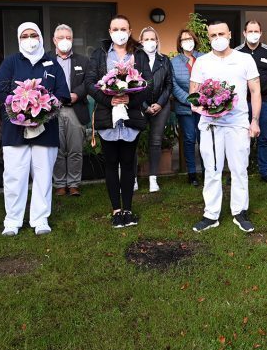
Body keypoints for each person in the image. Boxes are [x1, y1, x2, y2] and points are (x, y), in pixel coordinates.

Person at [0, 22, 70, 236]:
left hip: (46, 129)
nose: (29, 39)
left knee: (43, 174)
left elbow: (63, 93)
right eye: (25, 35)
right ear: (19, 39)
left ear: (41, 37)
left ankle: (40, 218)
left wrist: (43, 110)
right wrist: (18, 108)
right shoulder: (10, 62)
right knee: (15, 175)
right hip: (14, 130)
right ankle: (12, 221)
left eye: (33, 34)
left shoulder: (52, 64)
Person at [190, 21, 261, 233]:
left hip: (238, 124)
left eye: (221, 33)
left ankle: (239, 211)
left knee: (239, 169)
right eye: (213, 35)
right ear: (208, 38)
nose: (218, 38)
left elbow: (255, 91)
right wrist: (204, 109)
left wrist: (254, 120)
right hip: (210, 125)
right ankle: (211, 214)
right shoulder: (201, 62)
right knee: (212, 170)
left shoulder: (244, 59)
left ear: (230, 34)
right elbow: (193, 93)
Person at [85, 15, 148, 228]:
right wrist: (108, 99)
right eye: (115, 28)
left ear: (129, 30)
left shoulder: (138, 54)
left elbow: (147, 83)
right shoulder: (99, 54)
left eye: (123, 28)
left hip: (130, 118)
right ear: (109, 31)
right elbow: (90, 82)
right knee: (111, 165)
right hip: (107, 117)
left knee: (128, 165)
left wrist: (131, 98)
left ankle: (128, 209)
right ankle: (116, 209)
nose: (119, 32)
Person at [235, 20, 267, 183]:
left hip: (264, 101)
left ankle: (265, 172)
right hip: (241, 102)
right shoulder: (237, 52)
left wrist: (266, 89)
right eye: (250, 31)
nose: (253, 34)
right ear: (244, 33)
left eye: (256, 31)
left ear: (261, 33)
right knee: (240, 138)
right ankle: (238, 171)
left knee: (264, 137)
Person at [51, 24, 90, 197]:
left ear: (72, 40)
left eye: (68, 37)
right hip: (54, 110)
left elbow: (89, 82)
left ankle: (74, 184)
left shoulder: (83, 61)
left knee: (75, 150)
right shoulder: (47, 60)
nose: (64, 41)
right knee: (57, 150)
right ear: (54, 40)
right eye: (61, 38)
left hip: (76, 109)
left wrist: (77, 94)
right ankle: (60, 184)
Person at [139, 27, 174, 193]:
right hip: (139, 105)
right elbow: (132, 84)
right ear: (141, 42)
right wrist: (144, 106)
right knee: (134, 141)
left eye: (152, 39)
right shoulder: (135, 59)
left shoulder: (164, 60)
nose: (150, 42)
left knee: (156, 141)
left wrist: (160, 104)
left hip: (162, 105)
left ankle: (153, 178)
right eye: (146, 39)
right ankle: (133, 179)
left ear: (157, 41)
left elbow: (169, 85)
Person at [171, 29, 204, 186]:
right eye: (184, 39)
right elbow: (174, 85)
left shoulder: (204, 58)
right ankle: (192, 173)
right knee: (190, 139)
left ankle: (207, 170)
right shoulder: (174, 62)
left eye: (190, 38)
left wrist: (203, 100)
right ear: (179, 43)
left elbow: (211, 80)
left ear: (194, 40)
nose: (187, 41)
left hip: (205, 107)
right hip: (185, 108)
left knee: (204, 140)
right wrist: (190, 100)